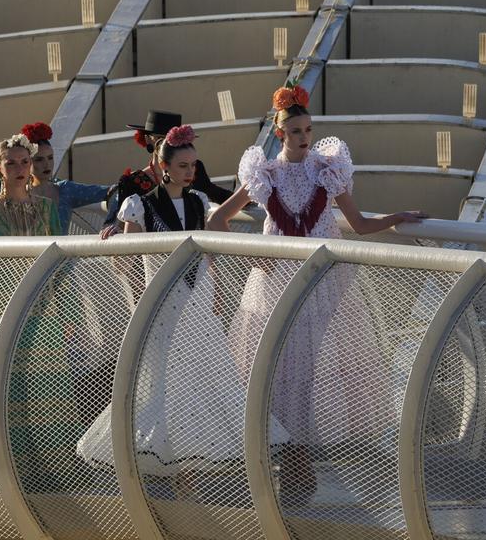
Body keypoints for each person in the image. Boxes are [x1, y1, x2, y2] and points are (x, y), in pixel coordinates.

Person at [207, 83, 426, 506]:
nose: (304, 137)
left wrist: (397, 217)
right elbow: (218, 220)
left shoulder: (328, 169)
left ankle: (297, 460)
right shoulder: (264, 173)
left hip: (323, 283)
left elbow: (358, 224)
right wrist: (254, 257)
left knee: (315, 366)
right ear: (279, 133)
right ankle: (292, 460)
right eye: (296, 131)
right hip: (275, 283)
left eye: (308, 129)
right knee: (278, 364)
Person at [77, 125, 290, 483]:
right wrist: (116, 237)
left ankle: (190, 469)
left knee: (206, 376)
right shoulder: (140, 205)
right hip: (163, 304)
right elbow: (124, 264)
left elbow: (206, 255)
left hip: (198, 299)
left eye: (193, 165)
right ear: (163, 166)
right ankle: (170, 468)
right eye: (182, 166)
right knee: (163, 381)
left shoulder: (198, 201)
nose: (190, 172)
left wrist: (216, 289)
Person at [0, 133, 71, 493]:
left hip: (41, 313)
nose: (19, 168)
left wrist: (66, 314)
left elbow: (61, 264)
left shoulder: (46, 208)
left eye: (24, 162)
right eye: (10, 163)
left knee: (40, 389)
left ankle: (45, 474)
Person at [101, 110, 234, 237]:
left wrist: (244, 197)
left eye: (170, 138)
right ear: (147, 139)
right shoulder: (133, 182)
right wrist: (115, 229)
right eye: (160, 138)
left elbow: (212, 191)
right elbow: (119, 220)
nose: (167, 142)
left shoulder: (196, 171)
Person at [21, 121, 108, 232]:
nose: (47, 164)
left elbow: (111, 191)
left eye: (50, 158)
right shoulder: (17, 193)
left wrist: (111, 222)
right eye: (39, 160)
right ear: (27, 162)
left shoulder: (65, 190)